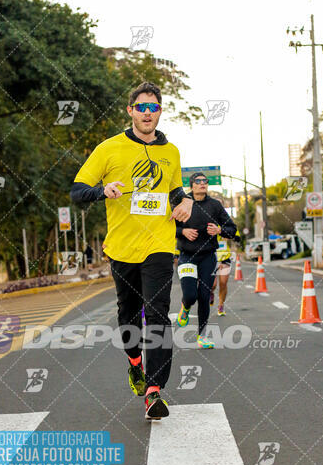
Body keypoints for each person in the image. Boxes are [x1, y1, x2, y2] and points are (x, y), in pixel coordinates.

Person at [70, 81, 193, 419]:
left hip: (159, 246)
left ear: (160, 111)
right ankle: (135, 363)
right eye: (142, 107)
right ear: (130, 111)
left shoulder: (171, 152)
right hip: (122, 249)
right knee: (129, 316)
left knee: (157, 314)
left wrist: (182, 203)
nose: (147, 113)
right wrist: (101, 190)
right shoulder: (109, 149)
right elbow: (77, 191)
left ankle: (154, 391)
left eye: (153, 107)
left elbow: (175, 191)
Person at [175, 173, 237, 348]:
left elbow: (232, 229)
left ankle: (202, 336)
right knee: (190, 295)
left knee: (204, 295)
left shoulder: (215, 205)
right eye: (198, 181)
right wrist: (183, 232)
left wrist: (219, 230)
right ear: (192, 185)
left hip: (208, 256)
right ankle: (185, 307)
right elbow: (167, 226)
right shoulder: (183, 203)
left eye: (205, 181)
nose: (202, 184)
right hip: (187, 255)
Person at [210, 227, 241, 316]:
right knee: (213, 284)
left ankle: (221, 305)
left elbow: (237, 237)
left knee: (223, 283)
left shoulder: (226, 222)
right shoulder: (209, 221)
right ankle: (211, 293)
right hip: (211, 257)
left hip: (224, 257)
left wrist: (229, 235)